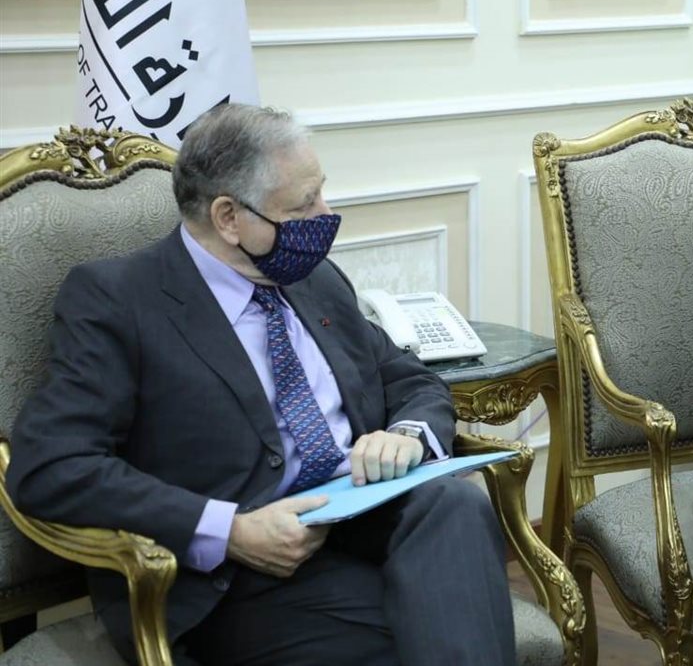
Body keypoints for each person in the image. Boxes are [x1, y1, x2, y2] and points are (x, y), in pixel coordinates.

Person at [8, 104, 516, 666]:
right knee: (437, 629)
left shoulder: (312, 277)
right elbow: (50, 466)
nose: (326, 215)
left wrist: (406, 434)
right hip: (235, 579)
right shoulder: (119, 301)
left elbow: (408, 377)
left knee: (454, 503)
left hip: (357, 519)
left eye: (321, 193)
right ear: (228, 217)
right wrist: (228, 531)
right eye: (304, 206)